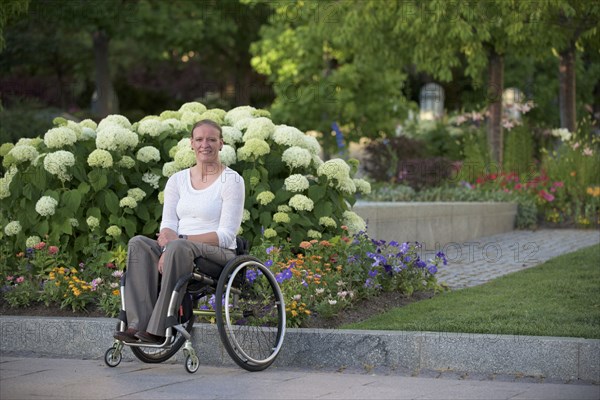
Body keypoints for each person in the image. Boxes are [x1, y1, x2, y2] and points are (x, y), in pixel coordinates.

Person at [114, 119, 245, 344]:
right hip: (177, 247)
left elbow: (226, 236)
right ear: (191, 144)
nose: (206, 144)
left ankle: (160, 328)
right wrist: (168, 245)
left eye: (212, 139)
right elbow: (168, 224)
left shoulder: (232, 180)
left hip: (218, 253)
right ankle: (137, 324)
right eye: (200, 139)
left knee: (178, 246)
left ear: (221, 144)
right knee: (138, 243)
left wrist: (180, 241)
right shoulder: (177, 180)